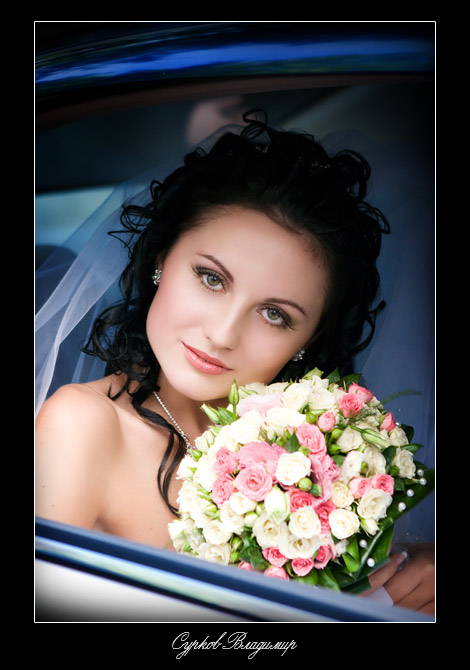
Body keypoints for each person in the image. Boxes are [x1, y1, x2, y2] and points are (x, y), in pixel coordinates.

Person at [35, 111, 434, 614]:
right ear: (161, 258)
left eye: (274, 314)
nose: (222, 335)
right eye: (211, 278)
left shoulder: (321, 460)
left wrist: (404, 578)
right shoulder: (82, 425)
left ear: (309, 340)